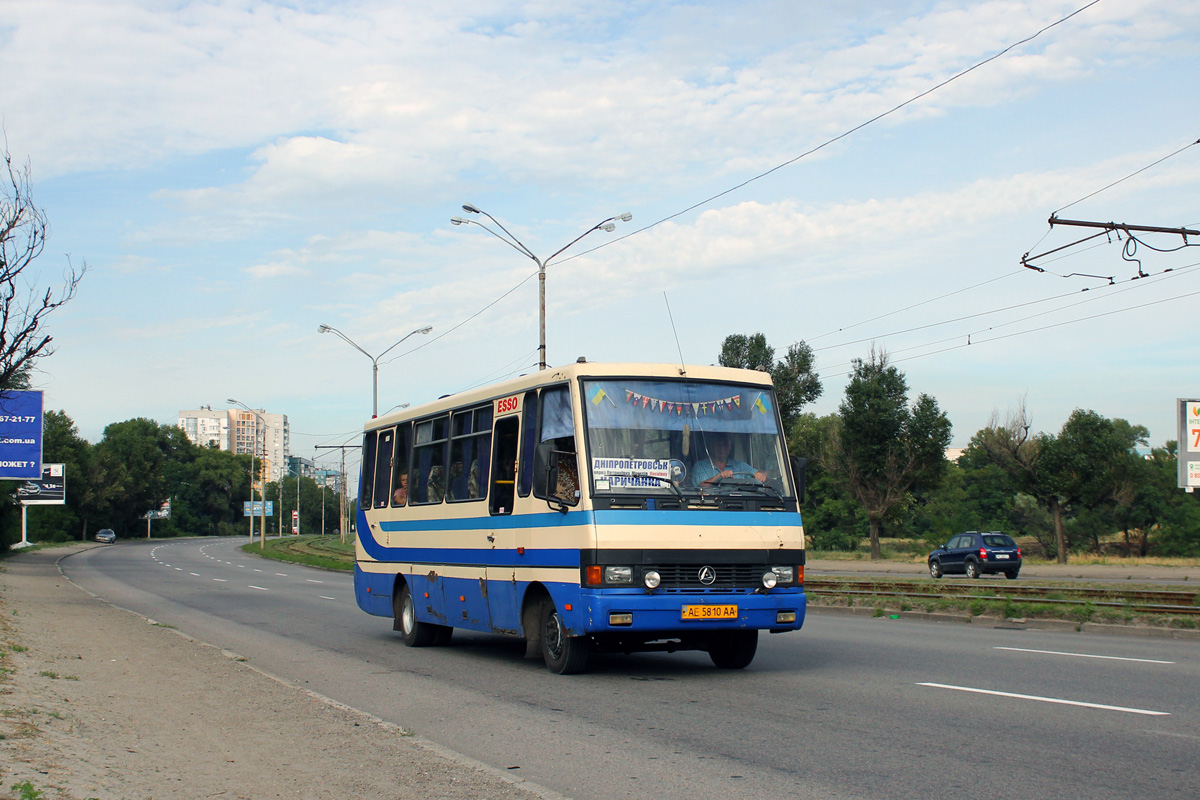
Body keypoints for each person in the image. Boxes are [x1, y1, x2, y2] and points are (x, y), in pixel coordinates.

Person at [692, 431, 767, 487]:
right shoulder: (700, 466)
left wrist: (761, 474)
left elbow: (759, 473)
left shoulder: (739, 465)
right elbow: (700, 487)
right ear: (710, 447)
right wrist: (719, 477)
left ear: (730, 447)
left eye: (725, 444)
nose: (722, 448)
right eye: (718, 444)